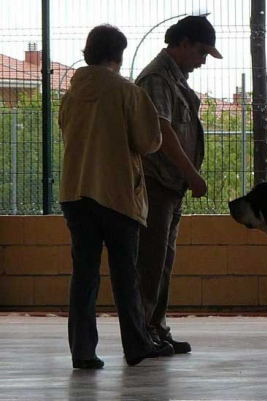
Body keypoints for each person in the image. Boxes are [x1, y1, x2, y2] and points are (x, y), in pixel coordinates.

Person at [59, 24, 175, 368]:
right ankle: (137, 345)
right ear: (119, 56)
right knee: (126, 273)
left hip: (75, 192)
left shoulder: (71, 93)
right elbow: (149, 141)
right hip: (117, 193)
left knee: (84, 274)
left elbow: (66, 131)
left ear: (87, 53)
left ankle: (82, 351)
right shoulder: (127, 92)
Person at [134, 15, 222, 354]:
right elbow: (163, 132)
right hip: (158, 182)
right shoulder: (158, 78)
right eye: (201, 53)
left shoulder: (175, 79)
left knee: (163, 261)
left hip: (170, 186)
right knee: (152, 261)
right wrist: (191, 173)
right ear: (183, 44)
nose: (202, 61)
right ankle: (143, 332)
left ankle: (155, 327)